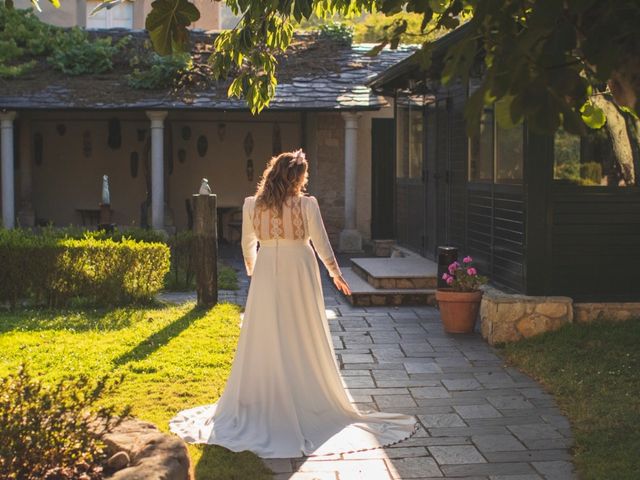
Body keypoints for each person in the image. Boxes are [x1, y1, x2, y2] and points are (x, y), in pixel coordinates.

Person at [169, 149, 418, 458]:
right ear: (296, 177)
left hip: (267, 270)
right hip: (299, 266)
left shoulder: (252, 204)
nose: (303, 181)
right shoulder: (306, 205)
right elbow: (320, 240)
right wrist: (335, 273)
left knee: (267, 331)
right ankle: (305, 393)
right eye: (302, 176)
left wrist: (254, 269)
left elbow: (248, 243)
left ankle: (270, 394)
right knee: (302, 329)